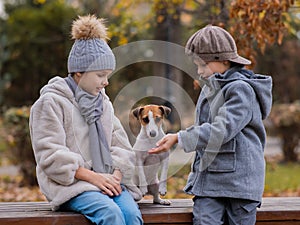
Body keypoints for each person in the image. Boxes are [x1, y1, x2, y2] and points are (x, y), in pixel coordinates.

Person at [149, 25, 272, 225]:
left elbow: (222, 129)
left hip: (240, 183)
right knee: (204, 220)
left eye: (202, 65)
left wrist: (180, 137)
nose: (199, 71)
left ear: (223, 60)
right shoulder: (211, 88)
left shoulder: (241, 90)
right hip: (210, 183)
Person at [29, 15, 143, 225]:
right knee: (111, 214)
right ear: (79, 73)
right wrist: (94, 177)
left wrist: (115, 177)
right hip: (71, 185)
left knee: (131, 215)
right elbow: (49, 155)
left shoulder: (104, 104)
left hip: (107, 181)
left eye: (108, 75)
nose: (106, 82)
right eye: (100, 75)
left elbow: (122, 148)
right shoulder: (51, 103)